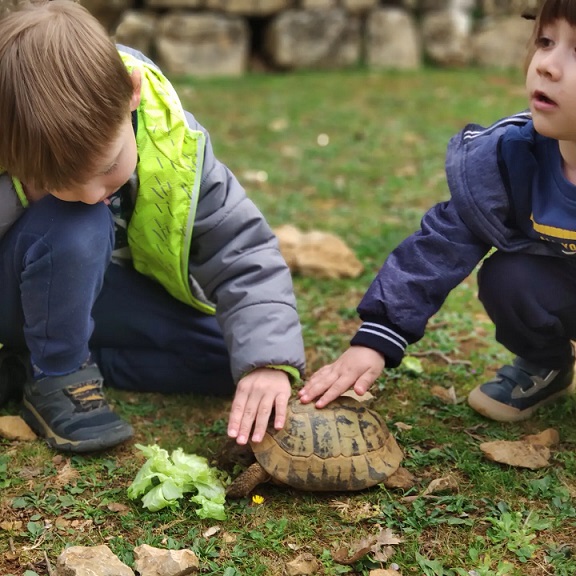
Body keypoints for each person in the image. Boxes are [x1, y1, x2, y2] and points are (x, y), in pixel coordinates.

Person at [0, 0, 305, 453]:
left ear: (132, 93)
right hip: (18, 296)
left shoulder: (179, 148)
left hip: (102, 298)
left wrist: (266, 361)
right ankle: (60, 377)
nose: (90, 193)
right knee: (79, 222)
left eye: (106, 166)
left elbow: (243, 251)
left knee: (231, 358)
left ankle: (35, 366)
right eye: (57, 183)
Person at [300, 0, 576, 423]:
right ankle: (547, 364)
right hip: (559, 286)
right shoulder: (510, 156)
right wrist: (377, 339)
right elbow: (441, 245)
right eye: (545, 41)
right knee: (509, 278)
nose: (547, 66)